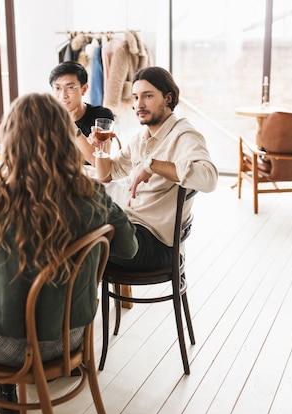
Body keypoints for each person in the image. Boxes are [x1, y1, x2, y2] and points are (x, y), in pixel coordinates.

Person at [0, 93, 138, 414]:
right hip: (73, 334)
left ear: (12, 141)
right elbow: (129, 248)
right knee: (1, 271)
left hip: (10, 346)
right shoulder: (93, 195)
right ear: (67, 139)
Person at [92, 66, 218, 271]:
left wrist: (152, 166)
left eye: (147, 96)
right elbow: (107, 174)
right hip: (132, 229)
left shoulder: (184, 135)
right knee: (75, 235)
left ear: (168, 98)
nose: (139, 105)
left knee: (81, 244)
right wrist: (100, 149)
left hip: (156, 244)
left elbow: (209, 179)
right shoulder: (142, 138)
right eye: (135, 97)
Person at [49, 61, 115, 164]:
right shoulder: (48, 118)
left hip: (90, 178)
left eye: (70, 87)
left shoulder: (101, 116)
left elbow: (98, 161)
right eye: (57, 88)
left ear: (84, 89)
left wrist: (72, 126)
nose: (63, 95)